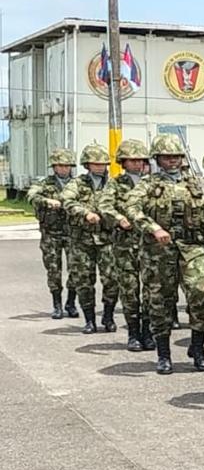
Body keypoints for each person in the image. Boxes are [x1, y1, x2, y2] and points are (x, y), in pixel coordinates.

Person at [125, 134, 204, 374]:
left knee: (203, 294)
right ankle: (163, 354)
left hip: (191, 247)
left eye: (176, 156)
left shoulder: (196, 183)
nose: (173, 161)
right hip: (158, 250)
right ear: (157, 159)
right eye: (167, 157)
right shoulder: (147, 184)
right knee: (160, 301)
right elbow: (131, 208)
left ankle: (197, 346)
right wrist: (153, 227)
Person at [98, 139, 153, 352]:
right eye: (132, 160)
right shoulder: (116, 183)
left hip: (149, 245)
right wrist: (119, 218)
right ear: (123, 162)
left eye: (140, 160)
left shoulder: (152, 182)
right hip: (125, 245)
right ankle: (133, 333)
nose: (137, 164)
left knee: (150, 290)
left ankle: (148, 332)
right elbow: (105, 205)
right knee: (130, 290)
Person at [61, 143, 118, 334]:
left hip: (107, 240)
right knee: (84, 280)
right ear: (87, 164)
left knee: (111, 279)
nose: (100, 166)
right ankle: (89, 319)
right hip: (81, 240)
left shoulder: (113, 184)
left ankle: (108, 316)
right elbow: (67, 201)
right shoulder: (76, 183)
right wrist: (84, 213)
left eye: (103, 163)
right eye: (96, 163)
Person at [27, 148, 79, 320]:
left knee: (76, 269)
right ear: (54, 167)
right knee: (53, 269)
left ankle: (71, 303)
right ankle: (56, 304)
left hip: (73, 232)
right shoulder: (44, 183)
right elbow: (31, 195)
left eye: (67, 166)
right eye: (60, 166)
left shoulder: (77, 183)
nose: (64, 169)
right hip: (51, 233)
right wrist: (46, 201)